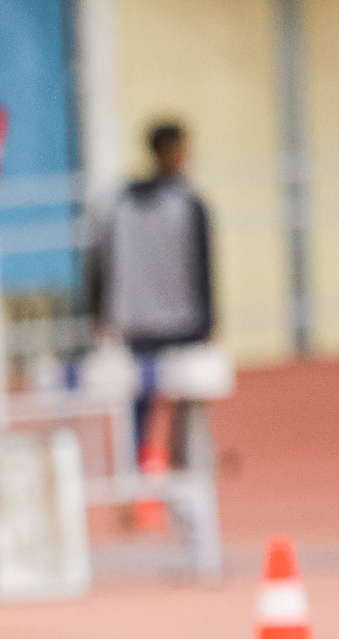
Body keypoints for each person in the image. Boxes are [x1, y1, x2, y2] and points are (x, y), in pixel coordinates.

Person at [84, 119, 217, 467]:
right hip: (177, 323)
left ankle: (145, 470)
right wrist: (209, 321)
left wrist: (99, 314)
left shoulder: (118, 204)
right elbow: (204, 266)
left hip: (137, 322)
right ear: (170, 151)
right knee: (174, 400)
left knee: (146, 402)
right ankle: (169, 472)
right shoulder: (189, 206)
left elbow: (98, 263)